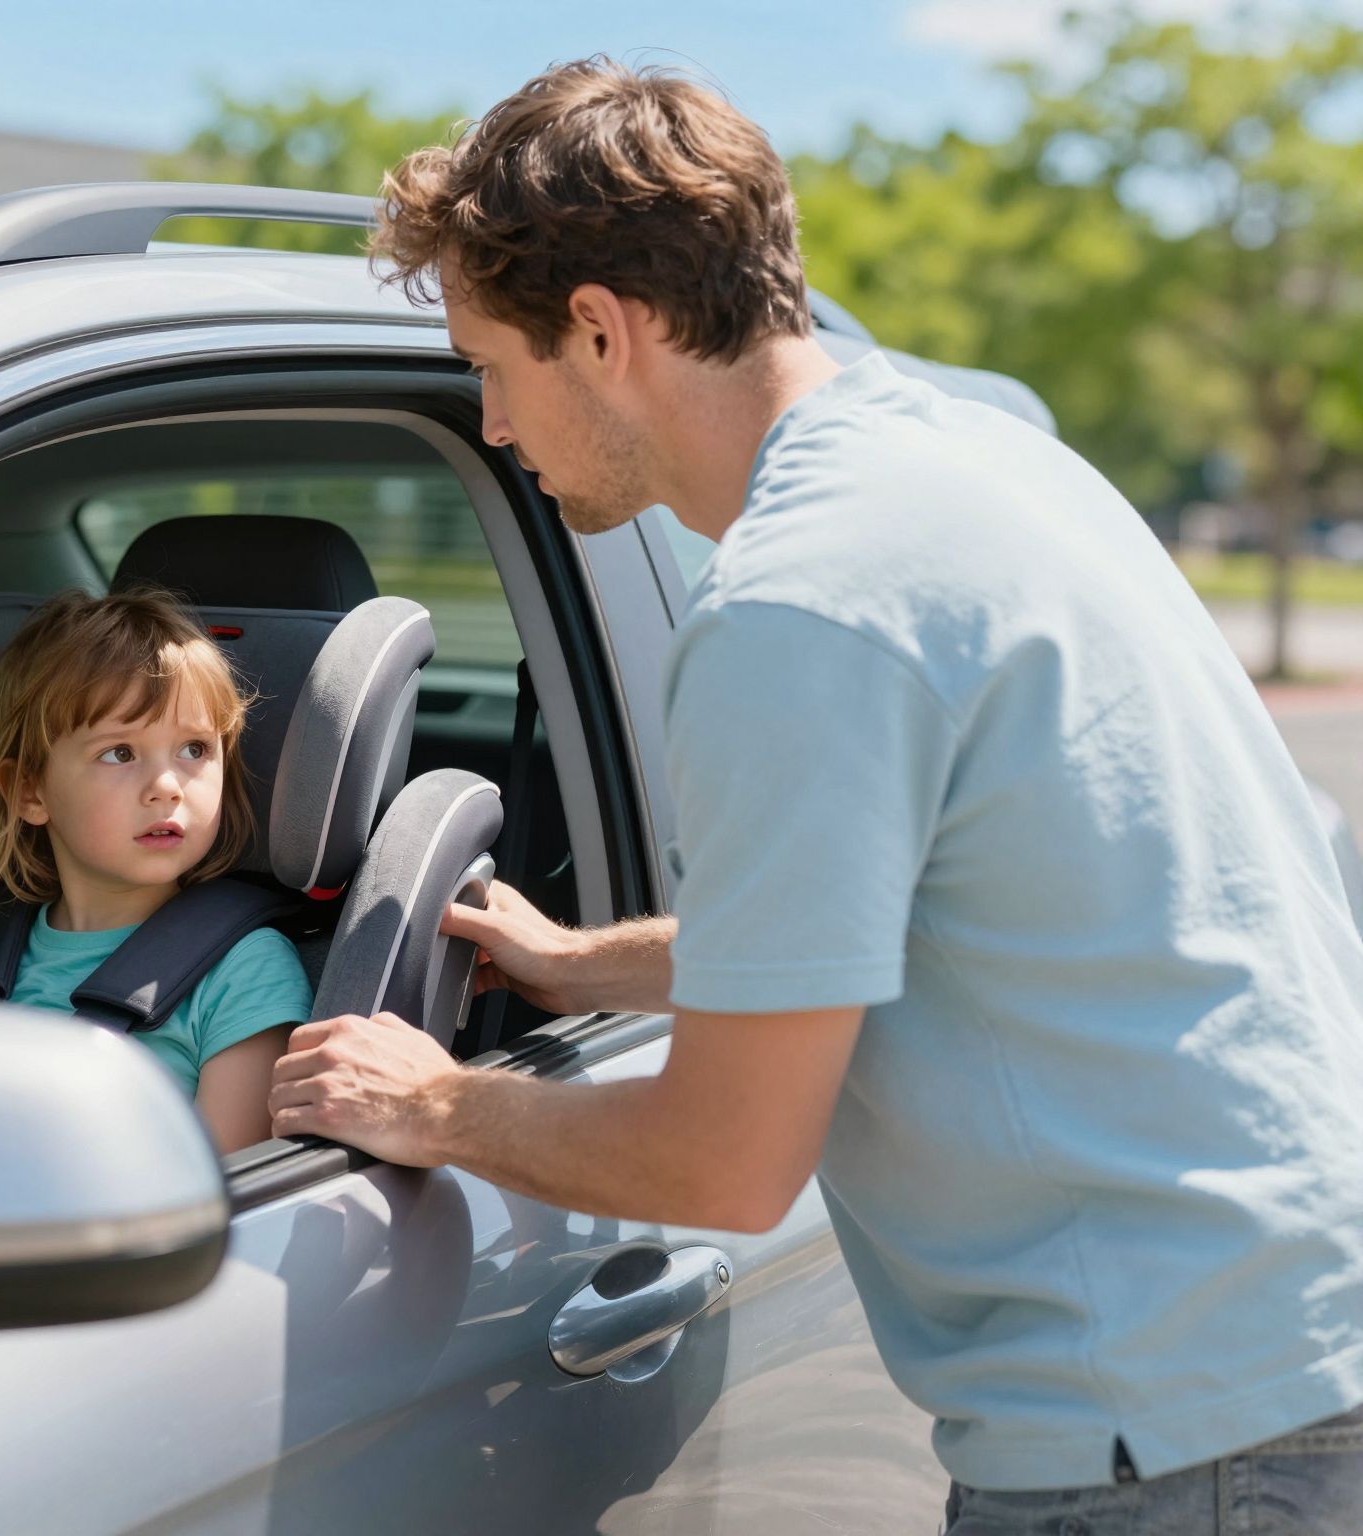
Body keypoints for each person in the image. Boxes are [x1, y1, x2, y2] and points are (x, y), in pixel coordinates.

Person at [268, 56, 1363, 1532]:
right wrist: (588, 962)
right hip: (1284, 1362)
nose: (497, 425)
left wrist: (443, 1105)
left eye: (491, 367)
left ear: (601, 331)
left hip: (1168, 1446)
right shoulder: (990, 470)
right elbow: (970, 907)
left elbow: (724, 1160)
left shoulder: (801, 608)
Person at [0, 586, 309, 1152]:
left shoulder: (243, 973)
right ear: (29, 791)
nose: (166, 787)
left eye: (194, 750)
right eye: (120, 753)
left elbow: (228, 1193)